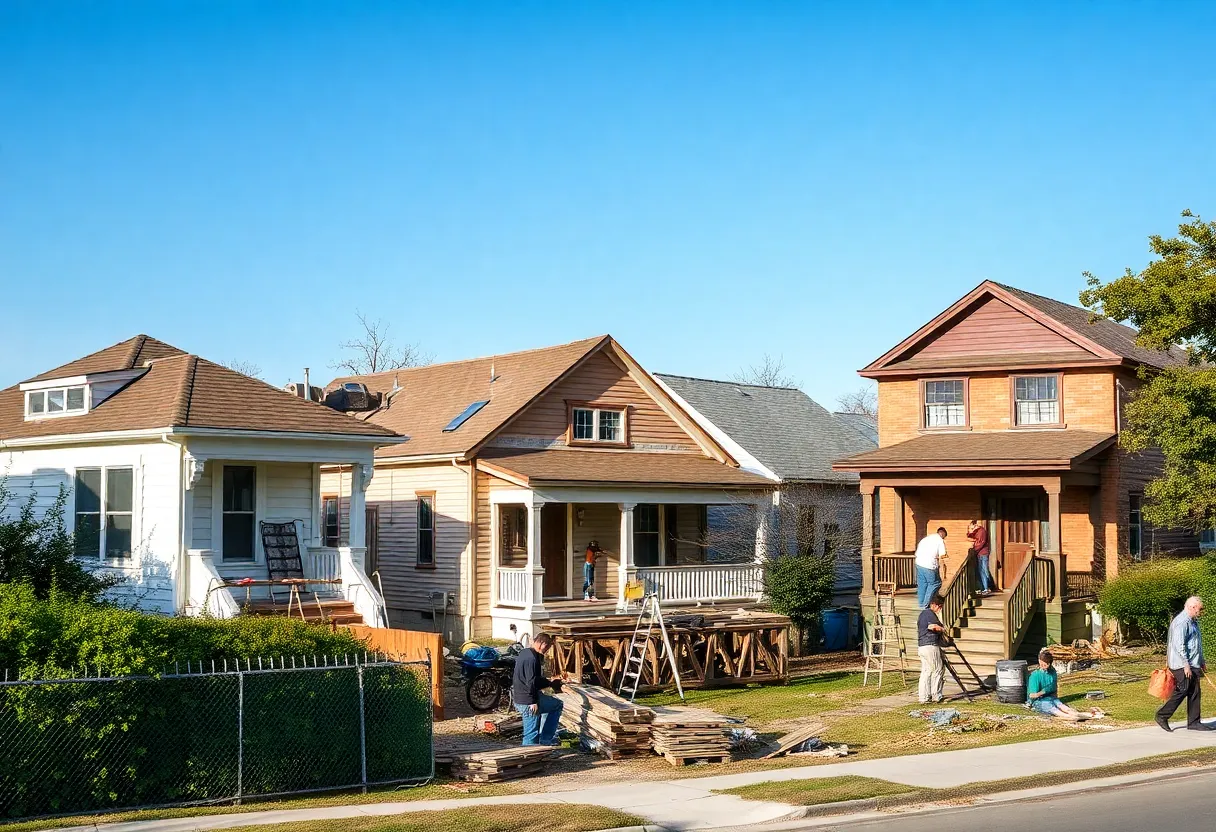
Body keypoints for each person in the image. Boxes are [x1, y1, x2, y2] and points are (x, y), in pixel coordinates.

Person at [1156, 596, 1211, 732]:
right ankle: (1162, 715)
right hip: (1182, 664)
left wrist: (1201, 660)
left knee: (1194, 691)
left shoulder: (1193, 621)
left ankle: (1194, 722)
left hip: (1193, 662)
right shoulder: (1182, 622)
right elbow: (1179, 645)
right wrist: (1185, 664)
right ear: (1192, 607)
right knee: (1183, 689)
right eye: (1200, 609)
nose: (1201, 612)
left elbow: (1196, 643)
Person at [512, 633, 565, 746]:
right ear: (542, 644)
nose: (547, 651)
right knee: (531, 735)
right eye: (548, 648)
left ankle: (544, 741)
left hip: (520, 696)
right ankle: (529, 756)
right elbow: (530, 681)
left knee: (556, 704)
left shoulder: (525, 652)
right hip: (527, 701)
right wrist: (533, 702)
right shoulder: (532, 659)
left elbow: (534, 680)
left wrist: (549, 682)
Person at [1027, 650, 1087, 720]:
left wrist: (1054, 697)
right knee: (1056, 710)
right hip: (1039, 701)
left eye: (1046, 664)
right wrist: (1042, 692)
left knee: (1064, 707)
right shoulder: (1035, 675)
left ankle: (1084, 715)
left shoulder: (1052, 672)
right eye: (1042, 663)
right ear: (1039, 661)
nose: (1044, 666)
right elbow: (1032, 695)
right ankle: (1072, 717)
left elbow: (1054, 689)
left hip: (1051, 697)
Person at [917, 594, 948, 704]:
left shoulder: (922, 614)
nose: (940, 609)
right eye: (939, 606)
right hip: (930, 645)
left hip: (922, 646)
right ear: (933, 605)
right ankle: (936, 695)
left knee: (926, 671)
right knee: (937, 670)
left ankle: (923, 697)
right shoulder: (929, 614)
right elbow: (932, 627)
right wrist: (942, 629)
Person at [914, 527, 948, 608]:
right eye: (944, 537)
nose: (944, 539)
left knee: (923, 584)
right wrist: (945, 571)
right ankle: (926, 605)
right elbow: (943, 556)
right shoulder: (939, 540)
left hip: (919, 563)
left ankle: (921, 603)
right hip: (929, 565)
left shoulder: (926, 539)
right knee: (935, 583)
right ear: (942, 534)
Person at [967, 520, 993, 596]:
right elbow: (970, 535)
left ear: (975, 525)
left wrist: (975, 550)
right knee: (980, 571)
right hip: (979, 554)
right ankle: (983, 588)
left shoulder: (981, 531)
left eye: (971, 526)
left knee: (984, 571)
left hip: (983, 553)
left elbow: (981, 542)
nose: (971, 528)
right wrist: (969, 530)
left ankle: (987, 587)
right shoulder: (977, 531)